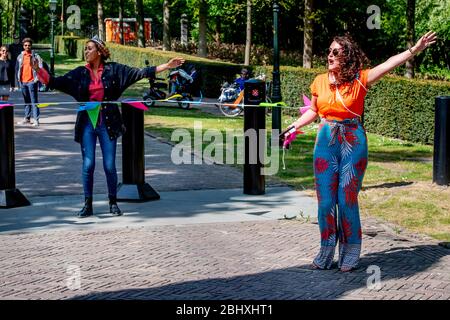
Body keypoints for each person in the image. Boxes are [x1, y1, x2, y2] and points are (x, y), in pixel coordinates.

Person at [285, 31, 437, 272]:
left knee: (346, 199)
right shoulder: (319, 81)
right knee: (325, 202)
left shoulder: (360, 79)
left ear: (347, 56)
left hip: (353, 141)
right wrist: (295, 125)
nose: (330, 55)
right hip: (326, 140)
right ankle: (326, 247)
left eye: (336, 52)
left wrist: (414, 50)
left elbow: (389, 64)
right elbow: (314, 111)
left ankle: (351, 248)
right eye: (329, 51)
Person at [34, 35, 185, 218]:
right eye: (86, 49)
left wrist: (167, 66)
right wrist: (38, 70)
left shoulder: (115, 70)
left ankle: (113, 202)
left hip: (108, 123)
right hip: (87, 124)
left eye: (89, 48)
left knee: (109, 165)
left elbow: (142, 72)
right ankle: (87, 204)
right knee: (88, 165)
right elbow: (54, 82)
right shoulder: (79, 73)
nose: (86, 51)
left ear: (99, 51)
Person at [16, 38, 44, 127]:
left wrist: (37, 80)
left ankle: (36, 119)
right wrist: (17, 81)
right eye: (25, 45)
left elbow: (40, 68)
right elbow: (17, 69)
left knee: (34, 102)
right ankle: (27, 118)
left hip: (32, 82)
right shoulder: (20, 57)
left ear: (31, 46)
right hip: (23, 82)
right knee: (26, 101)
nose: (27, 47)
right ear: (23, 46)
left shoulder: (36, 56)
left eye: (29, 45)